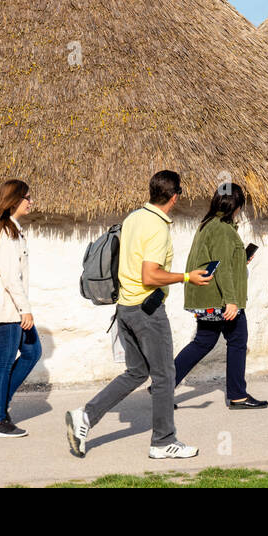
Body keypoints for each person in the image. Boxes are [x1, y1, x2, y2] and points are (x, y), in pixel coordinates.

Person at [65, 170, 213, 460]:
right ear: (175, 196)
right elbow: (150, 274)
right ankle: (163, 441)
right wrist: (187, 277)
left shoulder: (133, 217)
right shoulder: (158, 226)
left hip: (126, 309)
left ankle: (84, 417)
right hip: (148, 311)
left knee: (136, 372)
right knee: (164, 375)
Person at [173, 182, 267, 409]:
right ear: (235, 206)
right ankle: (237, 396)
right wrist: (232, 301)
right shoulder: (224, 230)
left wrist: (241, 259)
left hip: (207, 297)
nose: (239, 212)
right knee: (237, 341)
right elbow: (223, 269)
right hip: (219, 299)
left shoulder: (208, 225)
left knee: (203, 342)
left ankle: (162, 387)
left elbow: (216, 262)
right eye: (239, 207)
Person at [0, 179, 41, 438]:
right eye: (28, 197)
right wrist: (24, 309)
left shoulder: (11, 229)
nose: (31, 201)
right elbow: (9, 276)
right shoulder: (5, 232)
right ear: (15, 199)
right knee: (3, 363)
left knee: (32, 351)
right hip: (7, 309)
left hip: (12, 308)